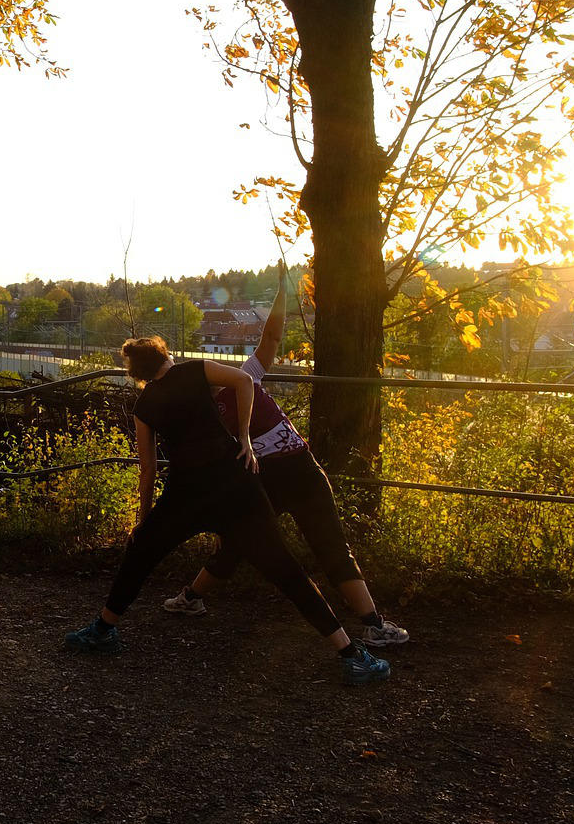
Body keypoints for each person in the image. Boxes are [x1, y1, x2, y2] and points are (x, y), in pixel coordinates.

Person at [63, 335, 391, 686]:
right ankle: (351, 655)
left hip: (186, 494)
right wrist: (245, 438)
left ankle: (103, 629)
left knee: (139, 555)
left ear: (137, 373)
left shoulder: (144, 404)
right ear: (165, 355)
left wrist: (143, 521)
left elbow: (148, 471)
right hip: (235, 486)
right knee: (286, 570)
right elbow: (244, 380)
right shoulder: (194, 370)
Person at [160, 271, 409, 648]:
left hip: (262, 478)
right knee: (330, 546)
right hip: (299, 466)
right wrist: (282, 293)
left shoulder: (204, 411)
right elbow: (271, 337)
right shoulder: (243, 379)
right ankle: (373, 624)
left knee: (239, 542)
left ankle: (190, 600)